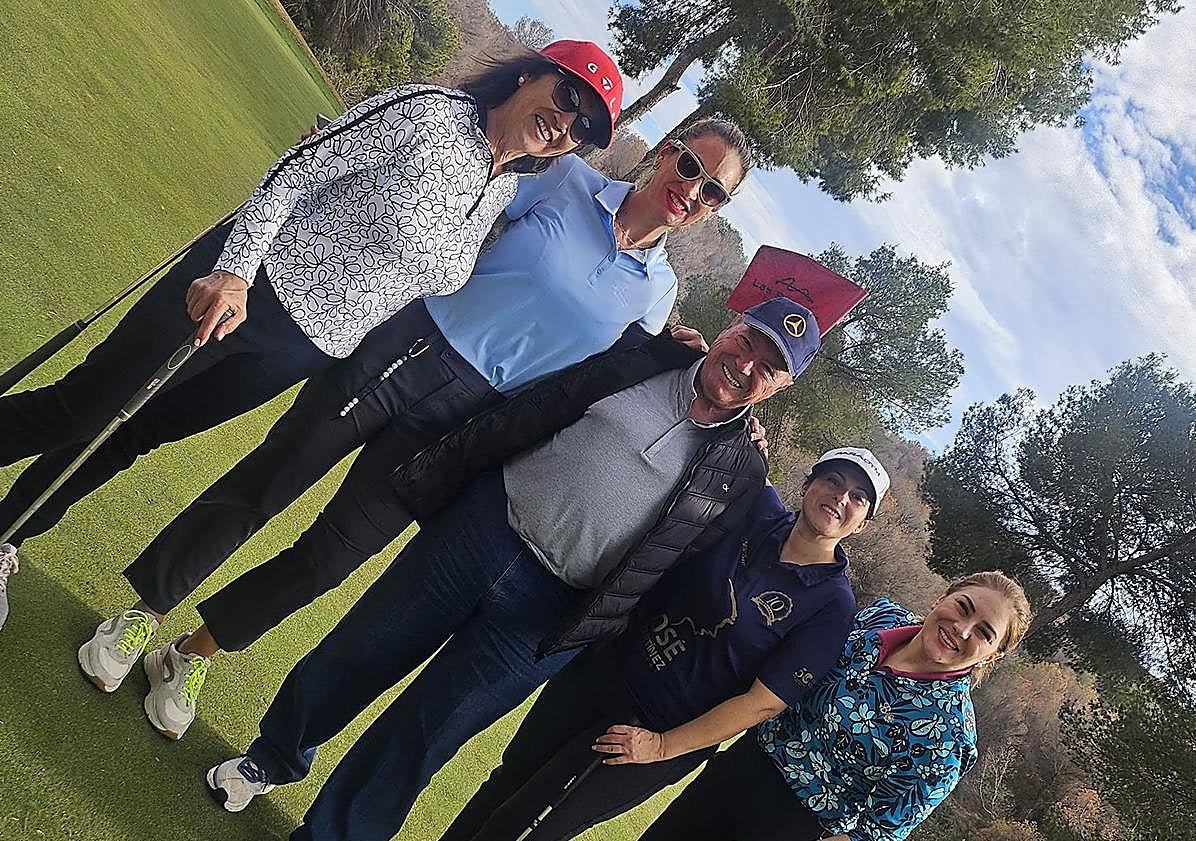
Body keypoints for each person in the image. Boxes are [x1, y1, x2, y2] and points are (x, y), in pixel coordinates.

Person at [71, 117, 753, 741]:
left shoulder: (658, 294)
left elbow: (619, 381)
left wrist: (730, 418)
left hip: (470, 421)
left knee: (330, 558)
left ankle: (189, 653)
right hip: (410, 344)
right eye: (691, 166)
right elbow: (457, 205)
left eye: (714, 193)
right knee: (267, 483)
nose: (693, 192)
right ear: (666, 152)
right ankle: (145, 612)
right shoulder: (568, 181)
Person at [0, 36, 620, 612]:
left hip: (301, 348)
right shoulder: (431, 111)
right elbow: (302, 165)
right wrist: (236, 271)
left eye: (584, 127)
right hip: (246, 288)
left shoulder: (498, 192)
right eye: (568, 96)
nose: (565, 123)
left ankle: (9, 535)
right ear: (531, 73)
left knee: (135, 434)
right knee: (82, 411)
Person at [205, 297, 821, 841]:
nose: (746, 366)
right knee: (362, 651)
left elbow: (686, 565)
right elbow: (541, 401)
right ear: (731, 327)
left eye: (768, 366)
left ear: (780, 387)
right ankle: (274, 756)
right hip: (482, 529)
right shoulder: (640, 351)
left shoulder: (742, 476)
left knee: (428, 731)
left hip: (549, 615)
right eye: (748, 342)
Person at [440, 448, 892, 841]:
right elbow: (735, 454)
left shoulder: (832, 605)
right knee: (508, 779)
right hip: (602, 672)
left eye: (858, 497)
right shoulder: (759, 511)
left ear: (864, 525)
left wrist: (658, 747)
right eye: (834, 480)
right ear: (810, 482)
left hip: (656, 728)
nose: (841, 497)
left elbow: (762, 704)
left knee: (535, 825)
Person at [637, 570, 1033, 841]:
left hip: (791, 826)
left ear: (991, 656)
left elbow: (875, 833)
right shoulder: (879, 617)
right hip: (738, 769)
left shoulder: (950, 737)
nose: (962, 630)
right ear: (943, 598)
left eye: (984, 632)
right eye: (963, 607)